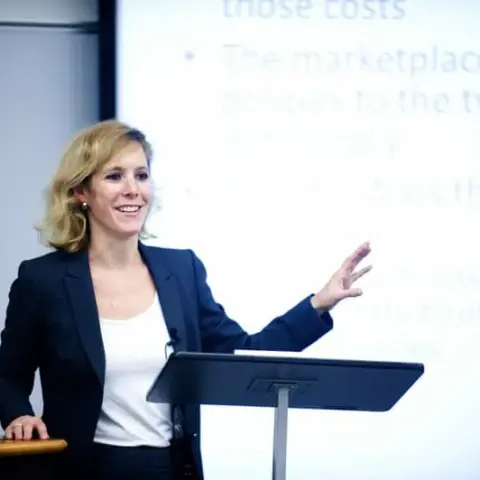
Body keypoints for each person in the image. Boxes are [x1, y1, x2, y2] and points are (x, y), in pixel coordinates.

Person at [0, 120, 372, 479]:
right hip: (80, 468)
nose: (133, 189)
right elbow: (7, 375)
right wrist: (18, 415)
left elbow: (243, 354)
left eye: (141, 175)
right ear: (81, 192)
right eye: (114, 176)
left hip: (170, 468)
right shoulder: (43, 281)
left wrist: (317, 305)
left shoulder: (181, 271)